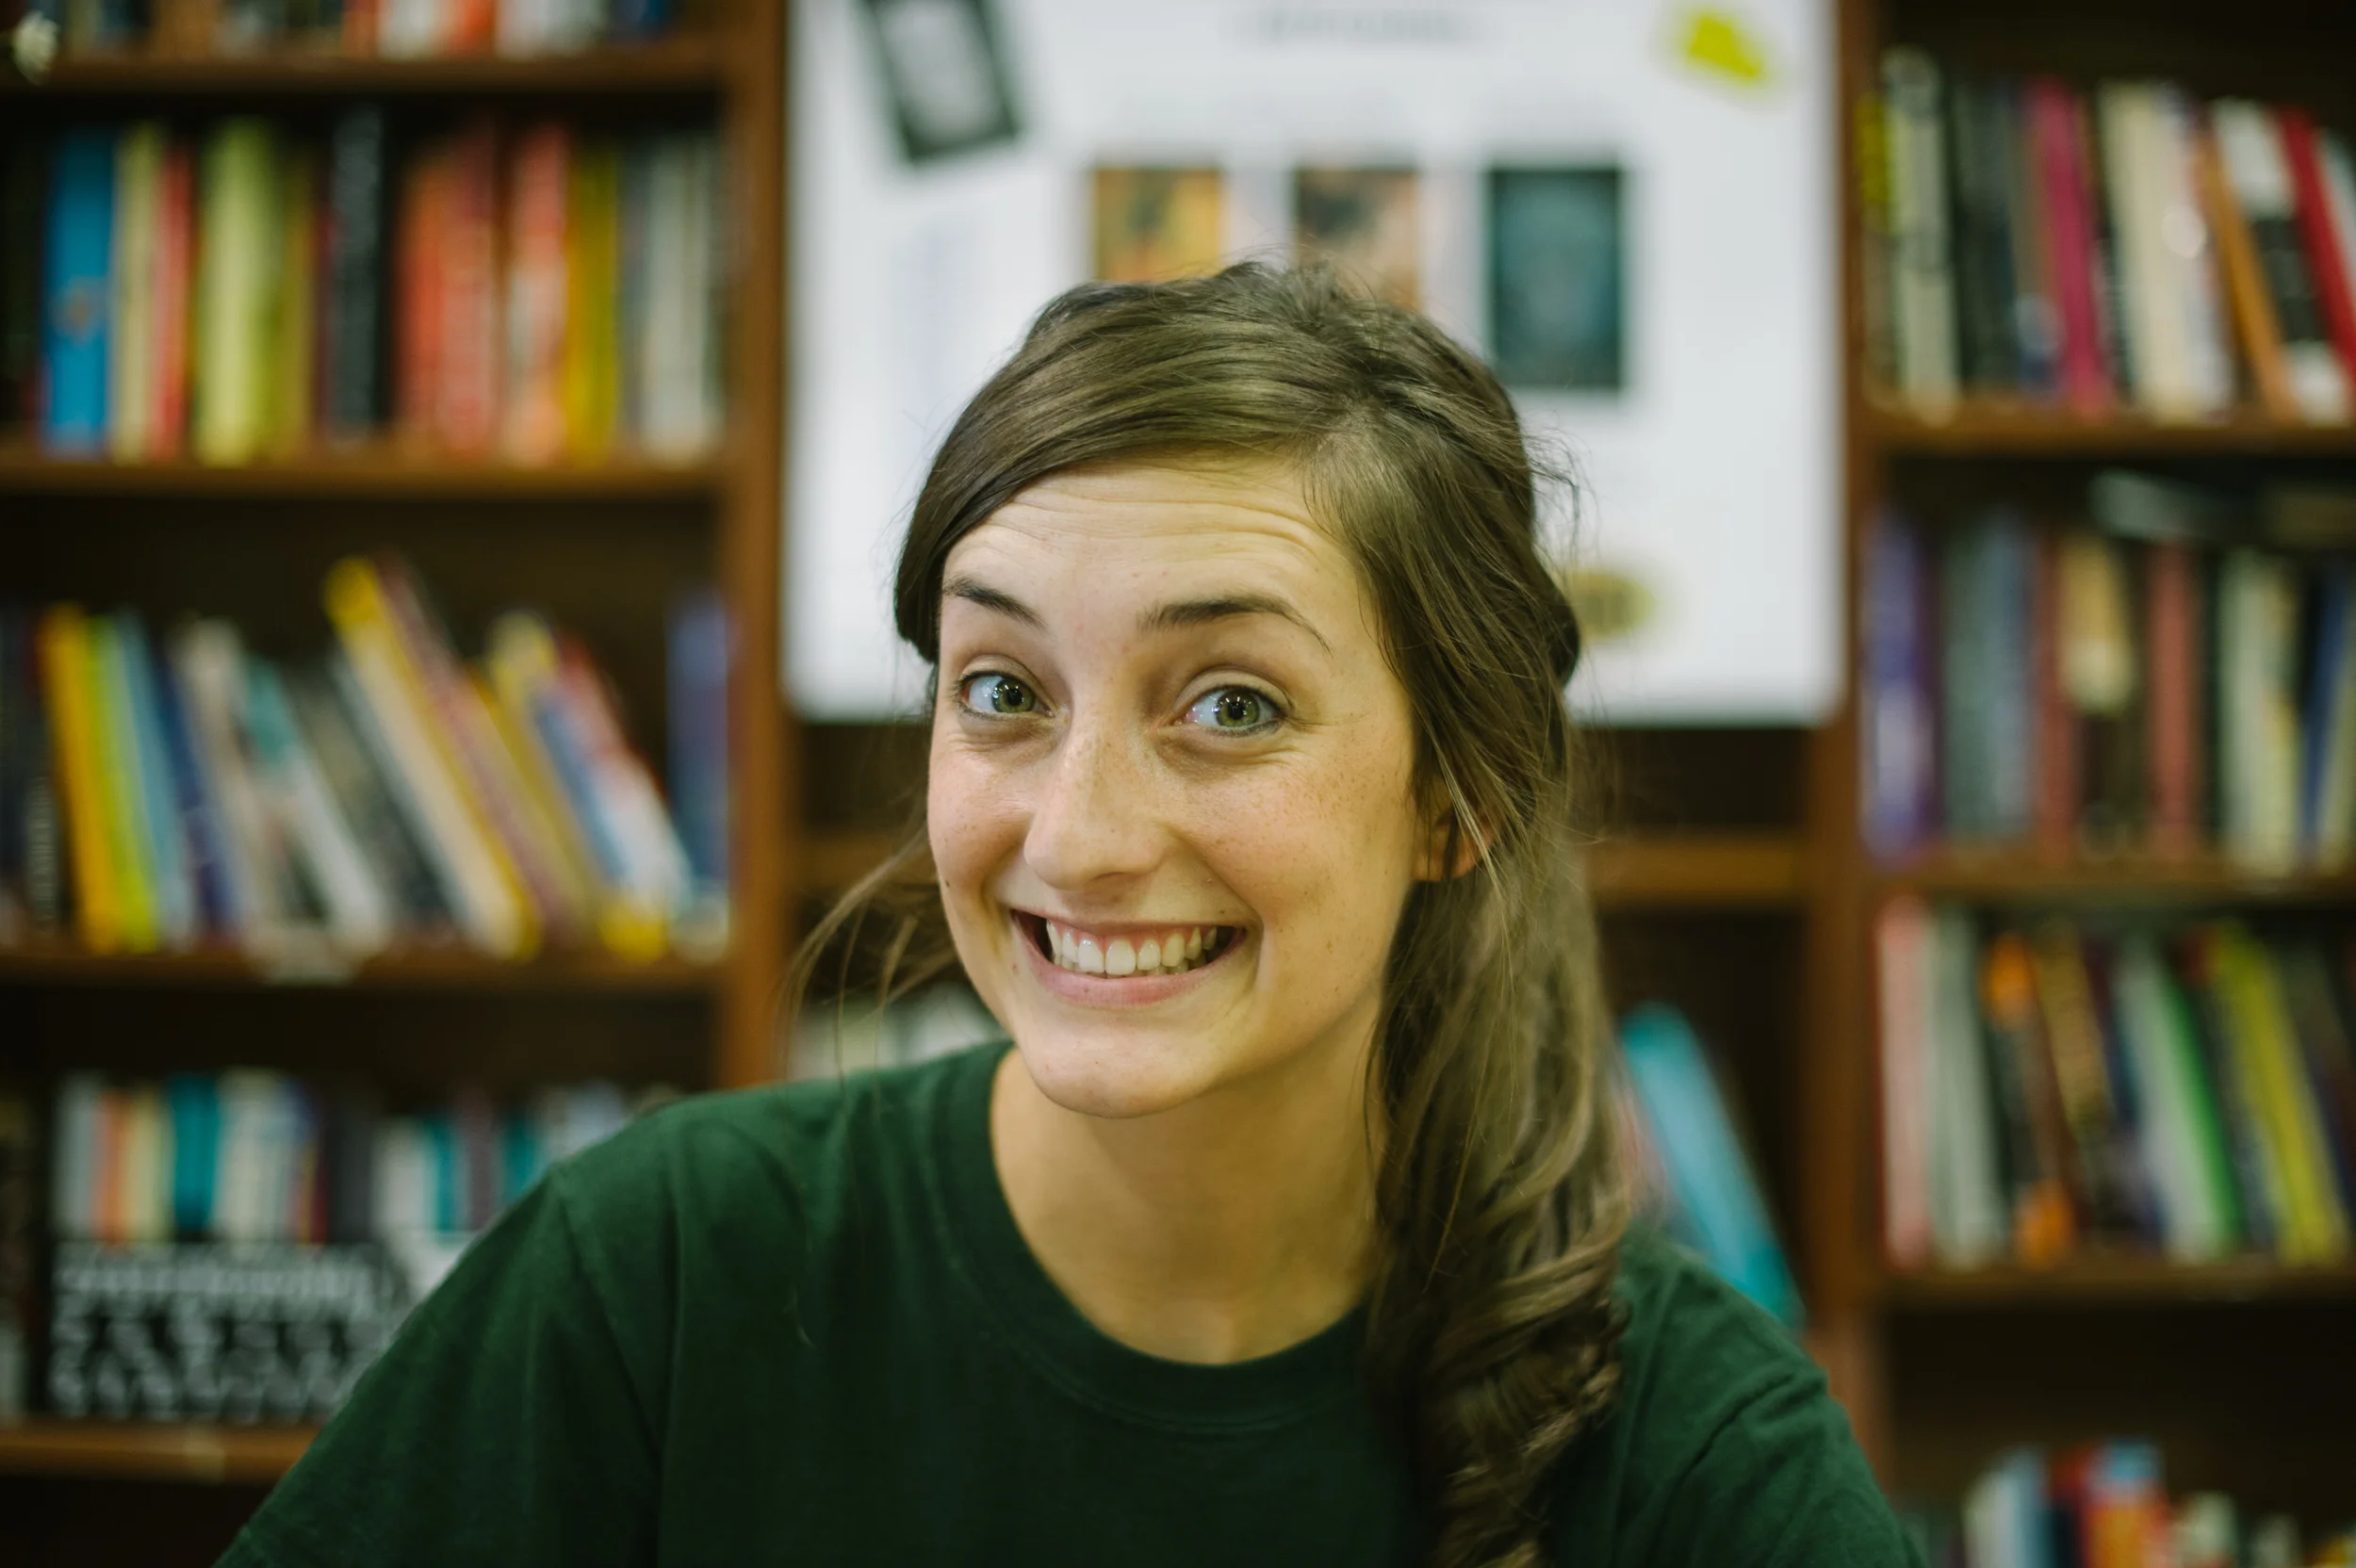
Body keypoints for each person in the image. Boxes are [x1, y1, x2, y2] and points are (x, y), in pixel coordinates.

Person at [219, 265, 1916, 1567]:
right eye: (1004, 689)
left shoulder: (1692, 1449)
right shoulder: (657, 1277)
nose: (1079, 837)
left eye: (1232, 705)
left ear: (1457, 801)